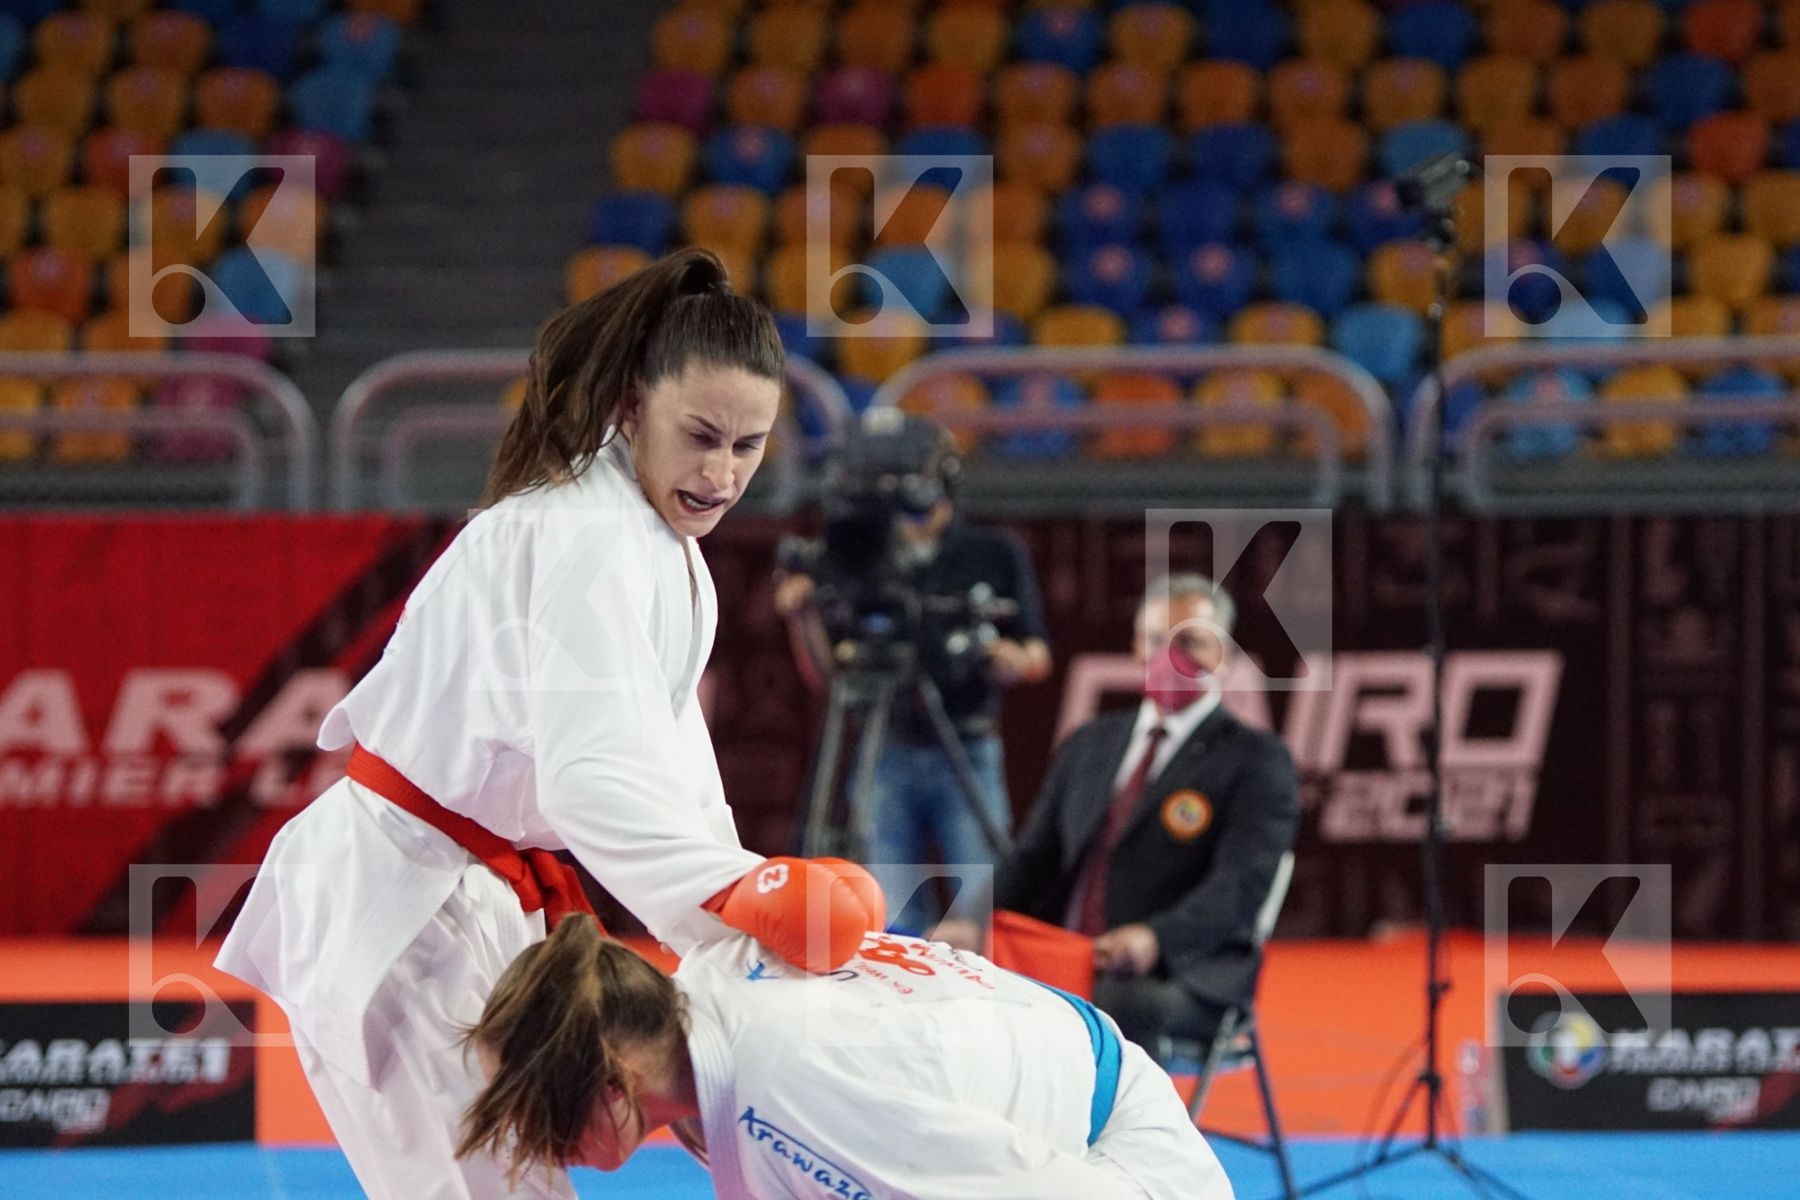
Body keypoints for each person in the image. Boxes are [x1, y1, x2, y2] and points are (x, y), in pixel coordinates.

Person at [215, 249, 883, 1199]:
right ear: (631, 407)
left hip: (474, 888)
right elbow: (591, 779)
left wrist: (735, 930)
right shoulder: (589, 533)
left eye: (748, 446)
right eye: (700, 436)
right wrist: (741, 896)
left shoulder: (659, 544)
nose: (721, 473)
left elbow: (673, 765)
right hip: (397, 895)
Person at [459, 913, 1235, 1199]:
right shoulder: (700, 992)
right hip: (1037, 1059)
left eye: (537, 1119)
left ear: (613, 1088)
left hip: (1110, 1156)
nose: (535, 1148)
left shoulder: (794, 1095)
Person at [939, 575, 1299, 1055]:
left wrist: (1155, 938)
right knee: (957, 972)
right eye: (1156, 640)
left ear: (1225, 654)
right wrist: (971, 919)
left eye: (1190, 642)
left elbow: (1241, 885)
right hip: (1066, 953)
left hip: (1183, 970)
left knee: (1115, 1002)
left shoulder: (1256, 760)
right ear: (1134, 647)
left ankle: (1116, 1107)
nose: (1169, 657)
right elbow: (1033, 857)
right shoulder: (1090, 744)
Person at [775, 412, 1052, 932]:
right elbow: (830, 673)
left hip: (965, 744)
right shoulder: (858, 556)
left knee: (986, 910)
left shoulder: (994, 552)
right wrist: (803, 616)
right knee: (894, 918)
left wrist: (1002, 658)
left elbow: (1036, 656)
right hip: (886, 750)